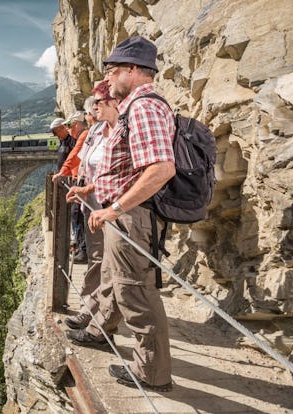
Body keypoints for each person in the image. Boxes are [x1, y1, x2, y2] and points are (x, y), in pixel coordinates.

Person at [65, 36, 176, 392]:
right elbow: (126, 169)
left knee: (136, 294)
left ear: (133, 70)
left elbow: (161, 168)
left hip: (131, 216)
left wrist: (115, 207)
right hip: (125, 215)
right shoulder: (135, 107)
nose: (108, 79)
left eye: (113, 71)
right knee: (121, 285)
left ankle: (152, 374)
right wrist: (96, 193)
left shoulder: (143, 107)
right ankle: (106, 333)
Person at [64, 81, 119, 334]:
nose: (93, 109)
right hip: (93, 209)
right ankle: (91, 311)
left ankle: (101, 322)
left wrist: (87, 188)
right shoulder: (96, 132)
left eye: (97, 103)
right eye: (93, 105)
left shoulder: (120, 129)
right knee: (98, 261)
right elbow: (82, 159)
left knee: (112, 266)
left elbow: (117, 171)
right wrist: (79, 186)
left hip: (114, 210)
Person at [52, 111, 88, 263]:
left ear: (76, 125)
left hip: (78, 181)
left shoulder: (82, 136)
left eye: (69, 126)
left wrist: (62, 172)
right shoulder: (78, 137)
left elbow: (74, 156)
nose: (68, 129)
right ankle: (81, 247)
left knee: (77, 215)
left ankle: (83, 250)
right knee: (76, 214)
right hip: (75, 179)